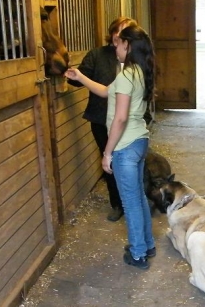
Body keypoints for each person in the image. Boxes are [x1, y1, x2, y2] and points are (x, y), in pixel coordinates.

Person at [65, 25, 156, 270]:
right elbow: (107, 92)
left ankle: (138, 253)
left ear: (128, 45)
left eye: (118, 43)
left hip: (125, 146)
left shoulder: (127, 75)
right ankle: (146, 244)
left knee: (130, 202)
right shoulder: (136, 71)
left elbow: (120, 118)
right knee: (138, 196)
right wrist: (81, 77)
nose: (114, 47)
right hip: (139, 141)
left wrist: (107, 152)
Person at [67, 17, 140, 222]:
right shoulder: (97, 55)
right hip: (101, 118)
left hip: (129, 120)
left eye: (127, 32)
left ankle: (136, 200)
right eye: (119, 32)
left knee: (129, 161)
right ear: (112, 34)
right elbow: (82, 82)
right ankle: (117, 203)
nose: (122, 37)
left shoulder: (135, 56)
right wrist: (74, 76)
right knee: (110, 164)